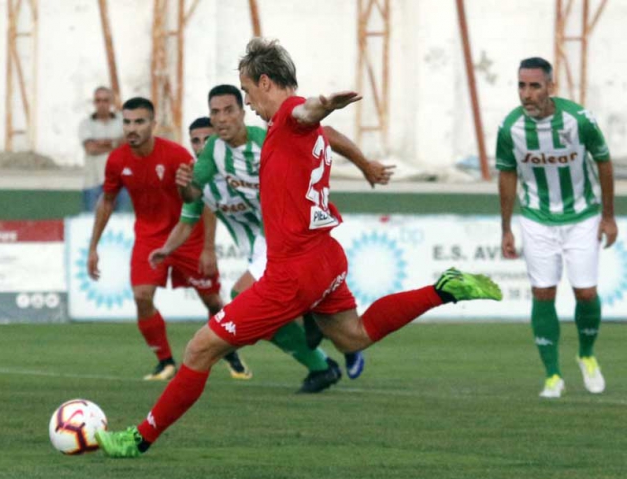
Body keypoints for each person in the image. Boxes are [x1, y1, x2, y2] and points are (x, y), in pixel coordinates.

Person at [94, 38, 502, 457]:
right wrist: (346, 142)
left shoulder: (290, 115)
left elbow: (305, 111)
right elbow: (316, 124)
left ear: (265, 81)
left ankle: (138, 439)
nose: (248, 103)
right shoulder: (295, 131)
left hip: (293, 271)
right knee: (353, 336)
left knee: (200, 349)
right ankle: (444, 289)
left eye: (247, 92)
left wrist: (324, 102)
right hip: (324, 255)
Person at [150, 84, 391, 392]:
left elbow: (325, 133)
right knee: (269, 320)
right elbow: (195, 195)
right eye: (215, 113)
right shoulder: (213, 154)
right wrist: (184, 187)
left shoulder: (266, 138)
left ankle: (323, 344)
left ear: (242, 111)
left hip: (287, 237)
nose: (221, 119)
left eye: (228, 110)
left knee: (242, 298)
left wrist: (365, 165)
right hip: (261, 249)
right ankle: (323, 354)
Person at [87, 96, 251, 382]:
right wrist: (93, 247)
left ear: (153, 124)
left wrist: (208, 248)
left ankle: (229, 351)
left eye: (139, 121)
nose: (132, 128)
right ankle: (165, 361)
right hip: (149, 238)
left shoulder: (176, 155)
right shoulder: (117, 160)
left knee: (213, 302)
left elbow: (204, 199)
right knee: (141, 296)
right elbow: (107, 201)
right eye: (127, 122)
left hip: (189, 237)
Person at [496, 57, 617, 398]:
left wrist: (608, 217)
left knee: (586, 293)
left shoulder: (579, 120)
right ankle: (552, 375)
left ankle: (587, 354)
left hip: (582, 216)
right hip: (537, 219)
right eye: (521, 85)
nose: (527, 94)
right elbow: (507, 174)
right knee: (543, 292)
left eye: (534, 86)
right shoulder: (510, 129)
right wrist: (506, 227)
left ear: (551, 87)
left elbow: (603, 162)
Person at [78, 86, 130, 212]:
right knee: (92, 226)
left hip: (120, 184)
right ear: (94, 103)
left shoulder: (122, 121)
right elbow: (91, 148)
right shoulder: (86, 124)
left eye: (105, 100)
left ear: (111, 102)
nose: (102, 104)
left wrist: (101, 142)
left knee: (121, 226)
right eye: (98, 100)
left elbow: (129, 143)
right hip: (93, 183)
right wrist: (115, 143)